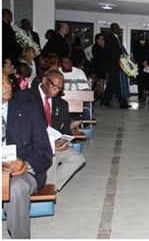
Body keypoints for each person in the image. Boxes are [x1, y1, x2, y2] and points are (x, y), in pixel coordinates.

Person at [15, 70, 86, 191]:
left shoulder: (61, 103)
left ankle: (51, 188)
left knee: (78, 159)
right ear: (44, 81)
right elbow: (19, 128)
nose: (57, 90)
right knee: (49, 156)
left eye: (60, 87)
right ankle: (46, 189)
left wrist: (65, 142)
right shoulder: (25, 97)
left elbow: (65, 130)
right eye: (55, 85)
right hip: (34, 145)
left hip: (55, 143)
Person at [2, 72, 52, 239]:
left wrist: (26, 165)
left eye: (7, 81)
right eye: (1, 83)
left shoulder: (28, 110)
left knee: (16, 187)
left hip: (20, 172)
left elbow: (44, 151)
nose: (7, 85)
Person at [101, 23, 130, 108]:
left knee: (111, 84)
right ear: (112, 29)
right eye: (116, 28)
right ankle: (122, 103)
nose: (118, 29)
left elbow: (118, 51)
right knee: (116, 84)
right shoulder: (110, 38)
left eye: (118, 27)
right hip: (112, 65)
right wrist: (115, 62)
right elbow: (109, 53)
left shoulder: (117, 38)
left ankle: (104, 101)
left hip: (115, 65)